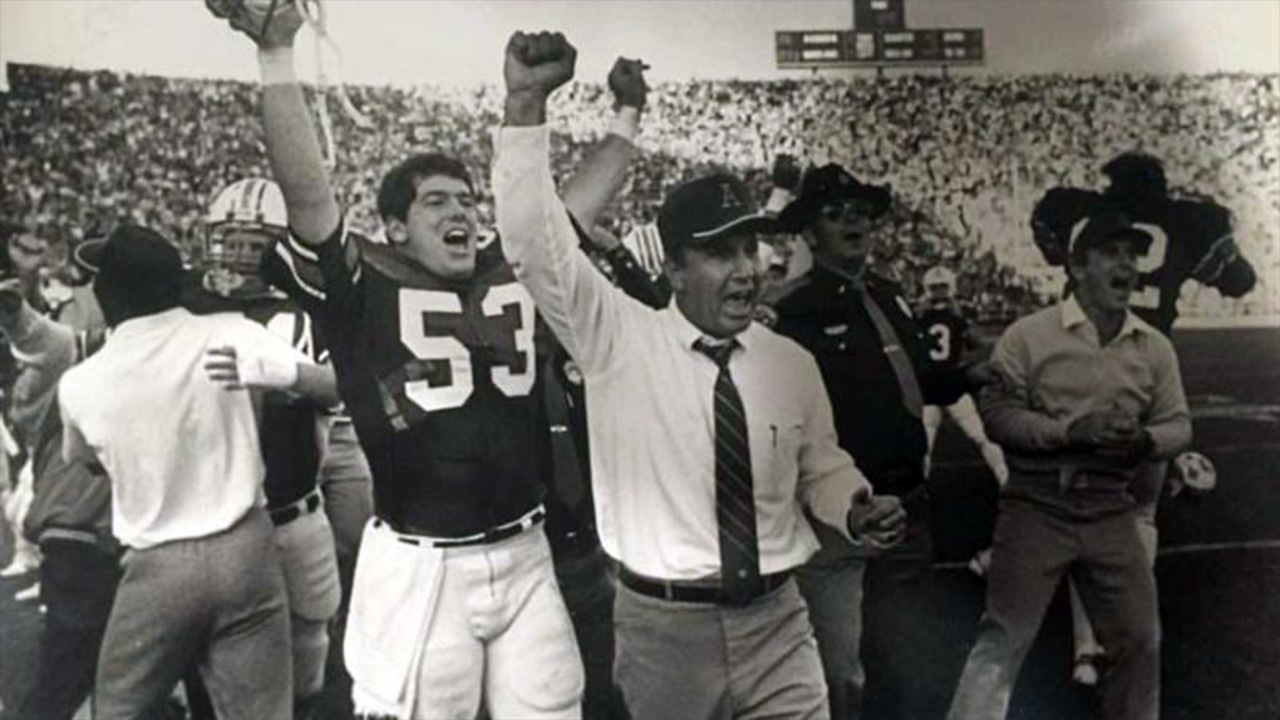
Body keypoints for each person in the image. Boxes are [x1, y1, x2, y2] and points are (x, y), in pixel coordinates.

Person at [206, 5, 646, 717]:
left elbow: (578, 205)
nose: (462, 213)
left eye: (468, 201)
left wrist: (626, 116)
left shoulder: (510, 268)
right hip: (420, 563)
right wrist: (276, 57)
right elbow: (310, 195)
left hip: (527, 550)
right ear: (394, 227)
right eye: (437, 201)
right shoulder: (363, 281)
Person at [494, 31, 905, 720]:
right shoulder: (618, 339)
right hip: (664, 629)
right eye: (719, 254)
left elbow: (820, 464)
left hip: (778, 618)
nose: (746, 269)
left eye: (750, 248)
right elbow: (536, 247)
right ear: (675, 269)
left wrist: (854, 505)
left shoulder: (788, 361)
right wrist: (526, 102)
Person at [946, 210, 1192, 720]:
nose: (1127, 265)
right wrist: (1068, 433)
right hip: (1038, 504)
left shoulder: (1153, 346)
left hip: (1109, 509)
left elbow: (1179, 425)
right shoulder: (1029, 336)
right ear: (1078, 267)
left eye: (1132, 255)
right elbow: (998, 417)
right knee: (1003, 642)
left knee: (1141, 642)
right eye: (1112, 253)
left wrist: (1144, 441)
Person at [1030, 150, 1257, 682]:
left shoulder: (1080, 214)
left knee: (1079, 511)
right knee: (1141, 513)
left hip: (1077, 367)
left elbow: (1048, 239)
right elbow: (1241, 281)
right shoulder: (1189, 222)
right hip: (1148, 371)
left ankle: (1086, 647)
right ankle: (1126, 626)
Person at [57, 224, 295, 719]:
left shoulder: (82, 381)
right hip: (247, 545)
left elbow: (81, 460)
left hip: (160, 562)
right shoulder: (230, 330)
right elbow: (330, 387)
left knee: (119, 708)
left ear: (108, 294)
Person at [771, 163, 975, 720]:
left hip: (907, 509)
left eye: (859, 213)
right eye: (835, 215)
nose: (853, 223)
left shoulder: (888, 297)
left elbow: (918, 380)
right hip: (840, 523)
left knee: (907, 667)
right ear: (810, 234)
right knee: (838, 674)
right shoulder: (790, 312)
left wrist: (980, 376)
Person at [194, 177, 344, 718]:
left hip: (291, 507)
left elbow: (344, 385)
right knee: (216, 653)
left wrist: (286, 374)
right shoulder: (183, 307)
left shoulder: (308, 310)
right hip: (213, 518)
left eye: (253, 245)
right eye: (229, 240)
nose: (237, 256)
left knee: (311, 632)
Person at [0, 235, 113, 720]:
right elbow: (41, 338)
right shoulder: (96, 342)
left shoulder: (159, 343)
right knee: (71, 671)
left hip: (118, 530)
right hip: (88, 526)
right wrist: (17, 302)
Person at [917, 264, 1008, 485]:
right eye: (936, 287)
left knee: (924, 445)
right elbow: (977, 343)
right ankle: (1005, 481)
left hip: (929, 384)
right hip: (950, 382)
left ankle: (919, 493)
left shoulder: (916, 314)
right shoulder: (958, 314)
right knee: (980, 438)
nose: (939, 292)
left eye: (941, 287)